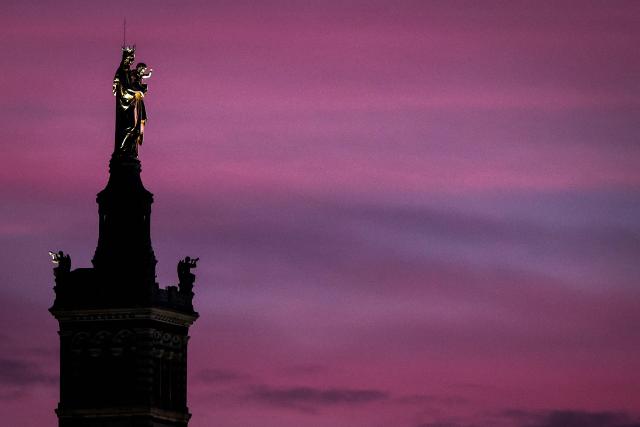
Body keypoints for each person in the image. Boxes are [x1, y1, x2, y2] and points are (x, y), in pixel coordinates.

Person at [113, 47, 152, 157]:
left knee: (134, 128)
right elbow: (126, 89)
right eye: (130, 59)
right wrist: (139, 90)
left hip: (133, 104)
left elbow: (133, 85)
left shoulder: (127, 72)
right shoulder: (123, 72)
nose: (131, 62)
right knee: (130, 127)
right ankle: (123, 149)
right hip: (126, 106)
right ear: (125, 59)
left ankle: (129, 151)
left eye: (132, 60)